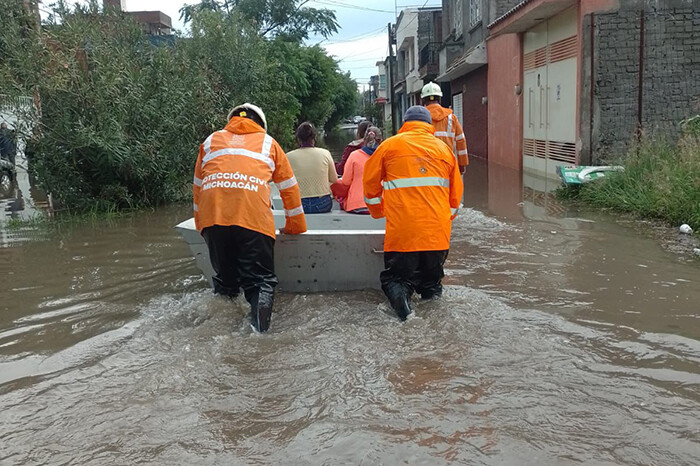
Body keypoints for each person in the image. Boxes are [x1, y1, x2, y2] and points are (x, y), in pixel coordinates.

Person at [193, 103, 307, 333]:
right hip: (253, 218)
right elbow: (289, 188)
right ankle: (259, 337)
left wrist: (201, 224)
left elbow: (198, 187)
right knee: (261, 283)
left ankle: (220, 328)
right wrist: (294, 225)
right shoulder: (268, 143)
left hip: (213, 219)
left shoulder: (210, 141)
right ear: (261, 124)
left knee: (226, 283)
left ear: (231, 119)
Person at [363, 106, 463, 321]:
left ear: (405, 123)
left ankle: (407, 318)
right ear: (428, 125)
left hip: (403, 233)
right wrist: (443, 220)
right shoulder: (444, 150)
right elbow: (456, 198)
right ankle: (436, 324)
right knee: (432, 286)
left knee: (396, 281)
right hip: (437, 234)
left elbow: (370, 186)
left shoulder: (389, 146)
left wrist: (378, 211)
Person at [286, 122, 338, 214]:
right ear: (314, 137)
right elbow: (334, 179)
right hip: (322, 204)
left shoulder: (288, 156)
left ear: (298, 138)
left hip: (298, 204)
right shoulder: (325, 153)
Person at [421, 82, 468, 174]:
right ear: (439, 99)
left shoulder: (419, 117)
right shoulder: (451, 117)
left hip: (425, 165)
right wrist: (462, 164)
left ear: (423, 100)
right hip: (446, 163)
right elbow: (461, 141)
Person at [334, 126, 382, 214]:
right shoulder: (385, 156)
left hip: (356, 205)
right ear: (380, 140)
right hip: (381, 205)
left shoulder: (354, 155)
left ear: (364, 140)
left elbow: (346, 182)